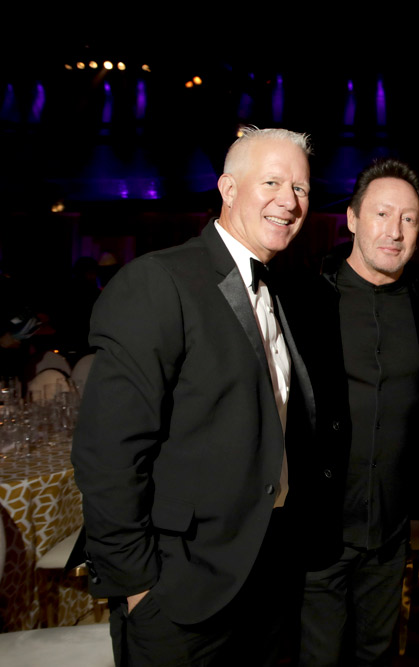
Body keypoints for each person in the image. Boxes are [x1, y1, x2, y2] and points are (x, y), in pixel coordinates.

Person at [72, 127, 339, 666]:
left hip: (268, 577)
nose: (289, 201)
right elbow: (109, 453)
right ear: (228, 188)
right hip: (182, 593)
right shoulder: (159, 281)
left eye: (302, 189)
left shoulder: (279, 290)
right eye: (271, 181)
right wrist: (140, 587)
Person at [298, 158, 419, 666]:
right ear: (352, 218)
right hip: (319, 531)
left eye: (408, 219)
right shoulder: (306, 299)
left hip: (389, 534)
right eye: (382, 214)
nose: (395, 230)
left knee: (379, 655)